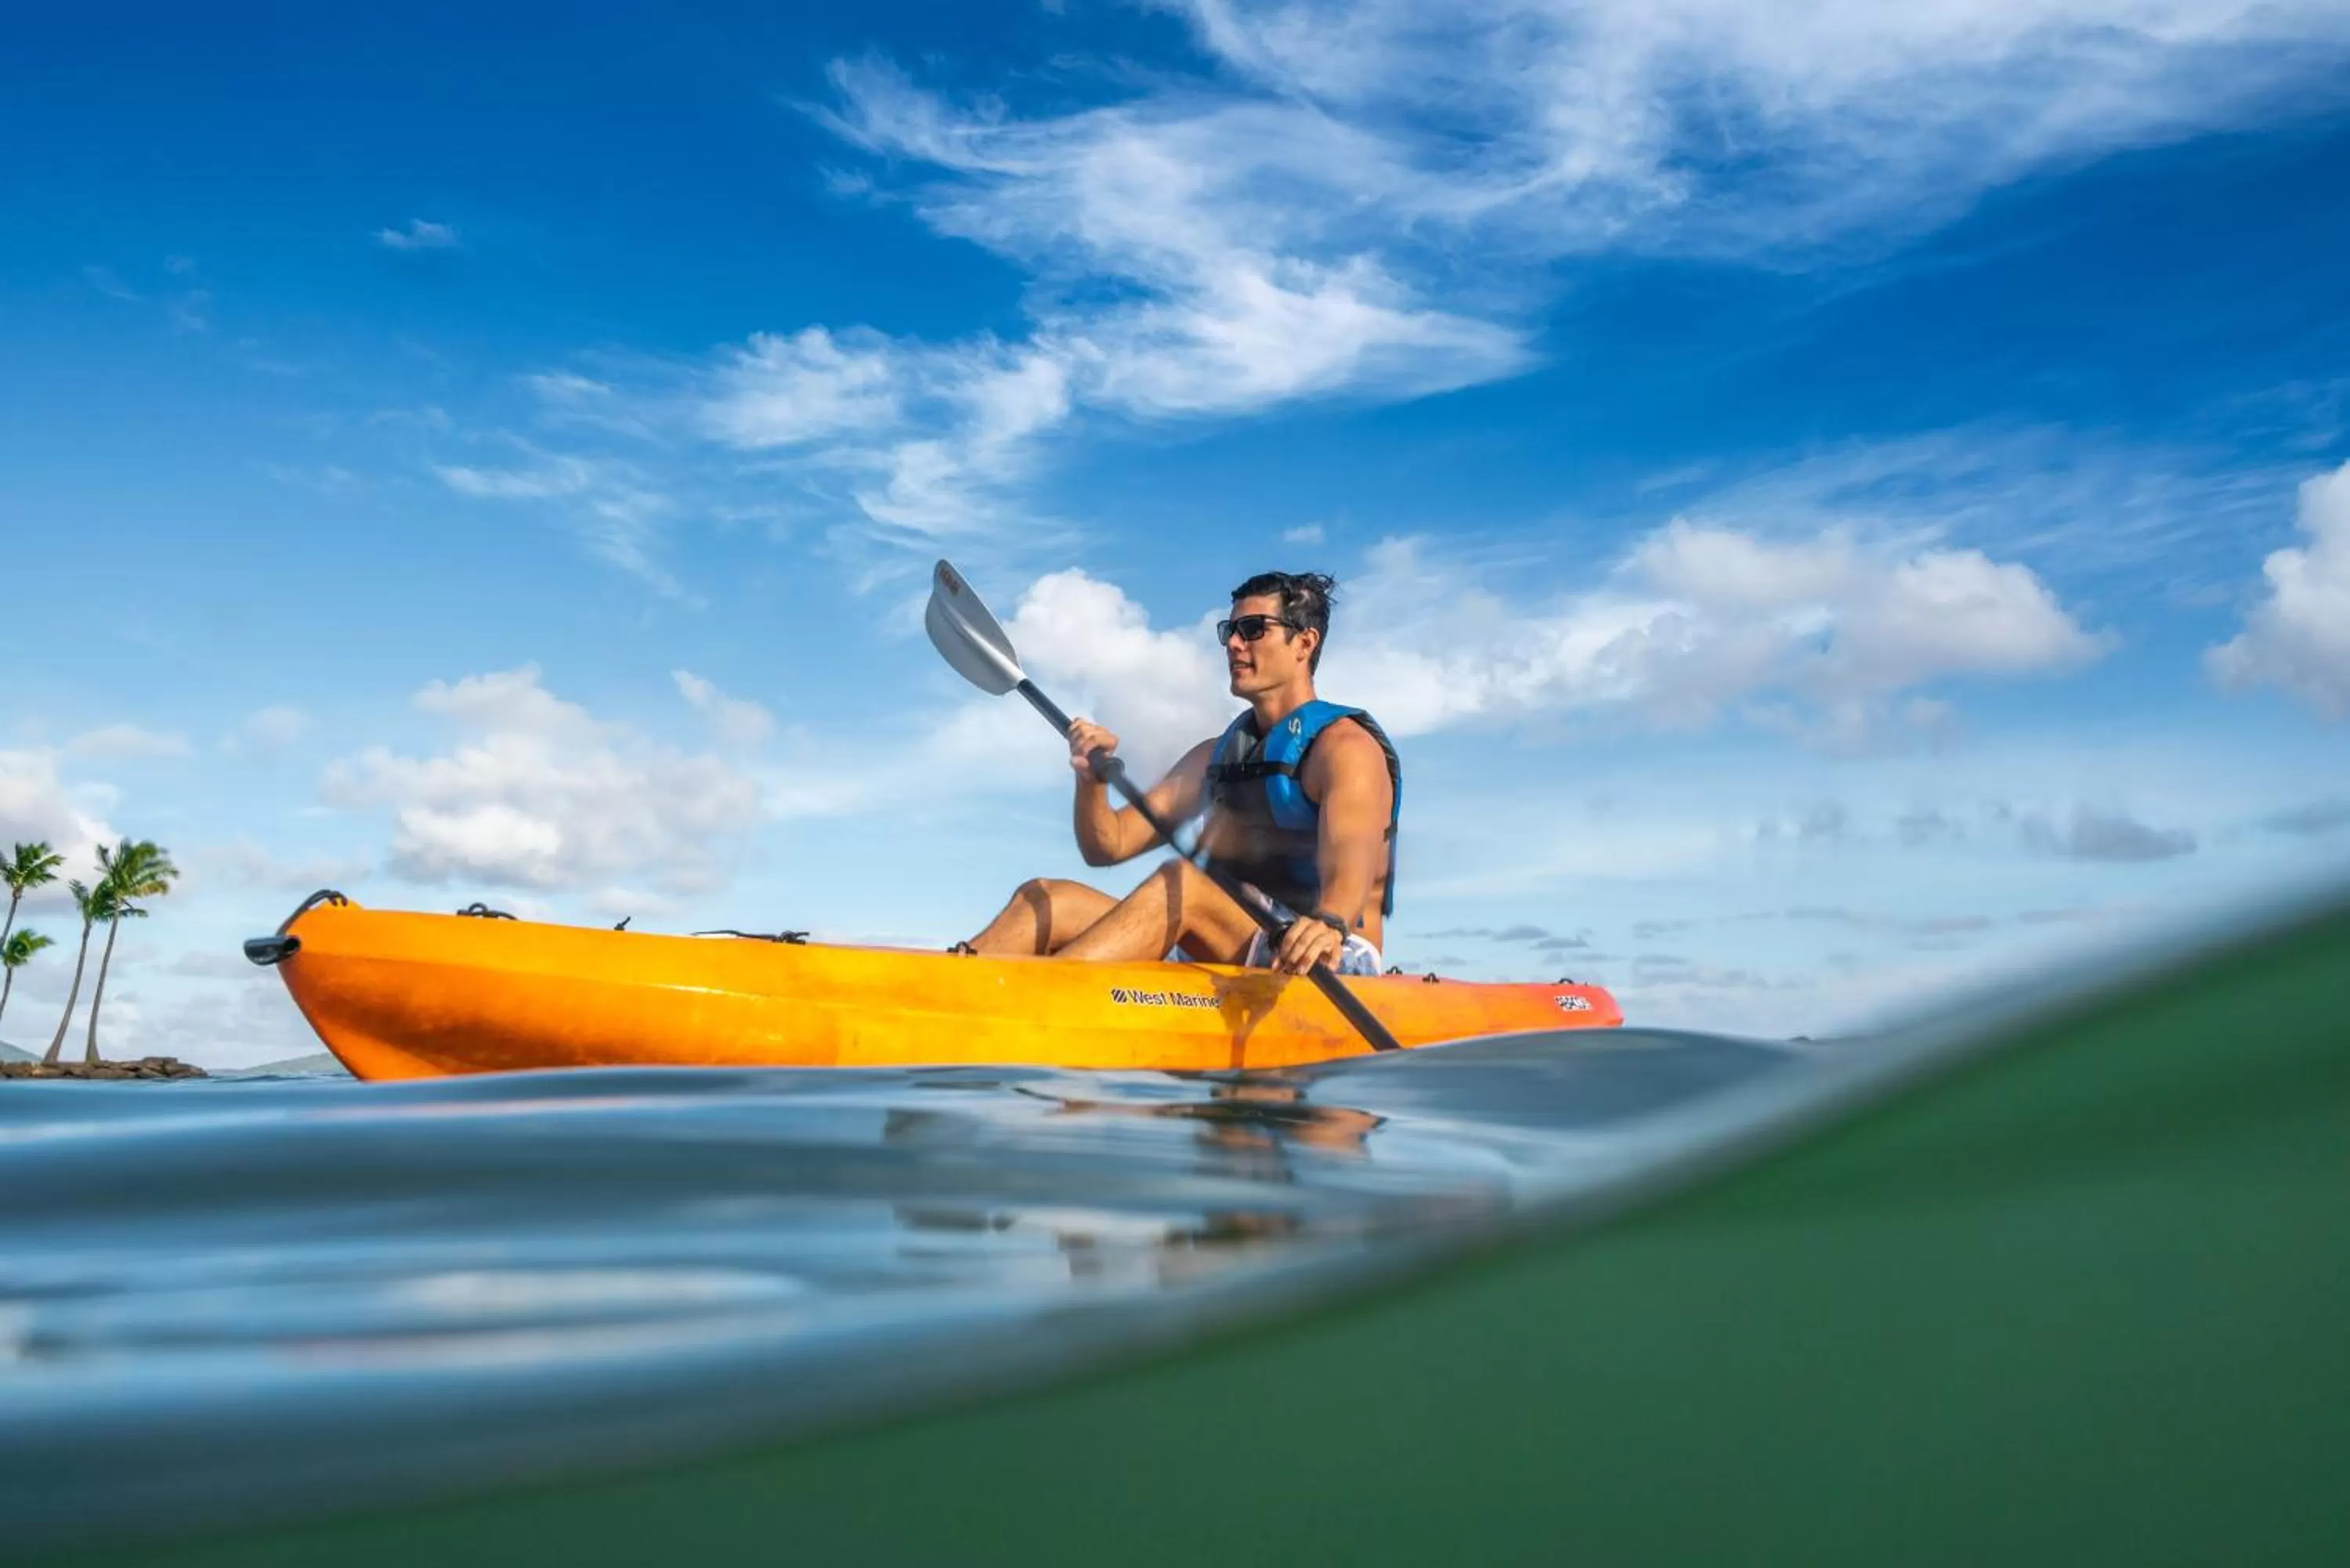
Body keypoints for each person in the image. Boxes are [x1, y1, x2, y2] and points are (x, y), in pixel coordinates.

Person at [960, 571, 1400, 976]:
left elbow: (1351, 865)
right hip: (1239, 943)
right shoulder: (1215, 757)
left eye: (1253, 630)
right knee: (1045, 899)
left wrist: (1329, 921)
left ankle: (1036, 1005)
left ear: (1304, 643)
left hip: (1327, 958)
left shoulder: (1345, 749)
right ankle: (940, 995)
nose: (1233, 644)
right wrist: (1089, 780)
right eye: (1230, 631)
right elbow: (1107, 845)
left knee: (1184, 883)